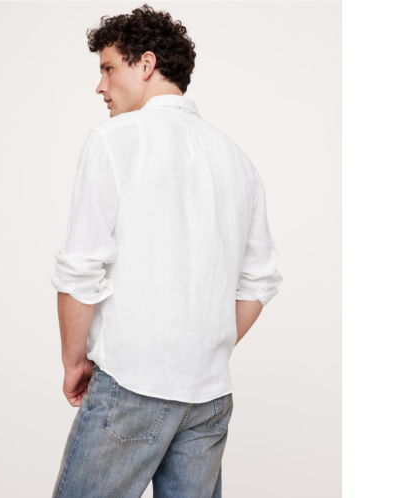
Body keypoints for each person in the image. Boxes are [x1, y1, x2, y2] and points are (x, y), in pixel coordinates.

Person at [49, 5, 282, 497]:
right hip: (209, 396)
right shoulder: (237, 160)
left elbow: (80, 271)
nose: (100, 87)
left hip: (132, 383)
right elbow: (260, 280)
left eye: (108, 68)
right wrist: (205, 345)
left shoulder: (113, 140)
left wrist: (74, 362)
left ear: (146, 64)